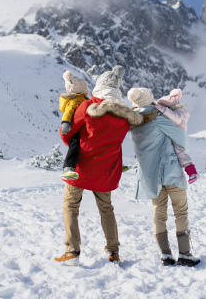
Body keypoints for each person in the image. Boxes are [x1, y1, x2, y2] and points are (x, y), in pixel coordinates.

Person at [54, 66, 153, 266]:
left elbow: (68, 133)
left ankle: (72, 250)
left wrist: (75, 145)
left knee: (71, 206)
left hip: (81, 167)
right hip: (107, 171)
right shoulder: (125, 117)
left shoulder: (88, 107)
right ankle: (113, 252)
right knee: (106, 209)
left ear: (99, 87)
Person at [127, 87, 201, 267]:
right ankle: (185, 254)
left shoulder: (132, 123)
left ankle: (165, 254)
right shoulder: (158, 118)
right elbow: (180, 137)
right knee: (180, 212)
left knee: (159, 214)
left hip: (150, 177)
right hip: (171, 172)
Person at [154, 89, 200, 184]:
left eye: (164, 106)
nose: (162, 109)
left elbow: (177, 120)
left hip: (178, 137)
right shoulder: (173, 112)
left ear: (169, 106)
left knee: (179, 152)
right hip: (174, 135)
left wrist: (164, 111)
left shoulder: (180, 112)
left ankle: (193, 172)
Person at [58, 70, 89, 181]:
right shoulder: (75, 101)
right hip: (77, 130)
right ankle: (67, 168)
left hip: (86, 128)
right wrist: (65, 123)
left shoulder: (84, 99)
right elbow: (68, 112)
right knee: (74, 146)